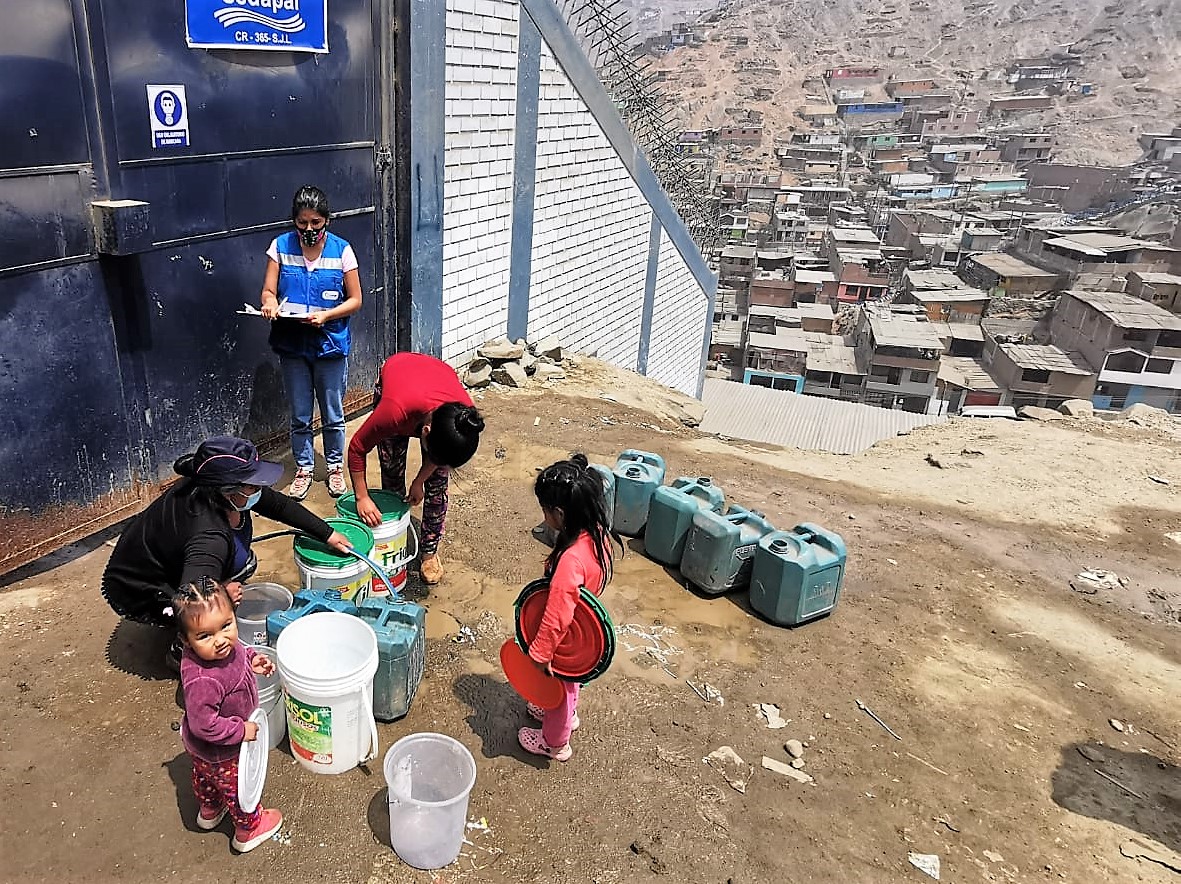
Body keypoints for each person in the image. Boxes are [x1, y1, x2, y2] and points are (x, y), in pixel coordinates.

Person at [101, 435, 351, 664]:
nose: (259, 489)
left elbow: (279, 506)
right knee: (212, 609)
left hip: (165, 555)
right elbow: (191, 599)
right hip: (137, 588)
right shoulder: (209, 537)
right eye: (253, 485)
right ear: (227, 491)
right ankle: (182, 651)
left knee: (242, 564)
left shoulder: (215, 483)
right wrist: (219, 594)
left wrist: (326, 533)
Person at [260, 185, 363, 500]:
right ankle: (304, 467)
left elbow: (356, 299)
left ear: (327, 221)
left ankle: (334, 467)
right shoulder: (279, 247)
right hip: (293, 346)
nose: (309, 230)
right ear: (294, 221)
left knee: (333, 414)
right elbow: (267, 291)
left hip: (329, 344)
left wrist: (328, 315)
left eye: (316, 223)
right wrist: (269, 304)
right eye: (302, 223)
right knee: (300, 413)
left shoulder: (342, 250)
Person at [517, 454, 622, 762]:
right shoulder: (595, 530)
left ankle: (555, 741)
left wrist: (541, 653)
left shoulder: (570, 562)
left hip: (564, 638)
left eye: (545, 510)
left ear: (559, 513)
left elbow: (557, 614)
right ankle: (566, 714)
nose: (544, 516)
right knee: (570, 684)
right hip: (581, 633)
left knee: (561, 688)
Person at [347, 352, 484, 586]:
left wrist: (420, 481)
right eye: (435, 453)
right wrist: (362, 496)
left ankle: (429, 552)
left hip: (433, 383)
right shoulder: (394, 412)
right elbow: (357, 448)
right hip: (400, 383)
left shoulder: (463, 421)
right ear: (425, 432)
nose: (439, 460)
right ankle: (396, 531)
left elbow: (440, 456)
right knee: (392, 470)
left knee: (438, 486)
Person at [173, 578, 284, 853]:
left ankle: (210, 810)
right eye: (204, 636)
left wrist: (251, 659)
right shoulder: (202, 680)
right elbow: (204, 725)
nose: (220, 640)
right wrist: (240, 730)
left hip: (203, 754)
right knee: (237, 787)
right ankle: (248, 828)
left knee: (206, 779)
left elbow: (237, 649)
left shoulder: (223, 648)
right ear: (186, 640)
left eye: (226, 625)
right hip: (222, 750)